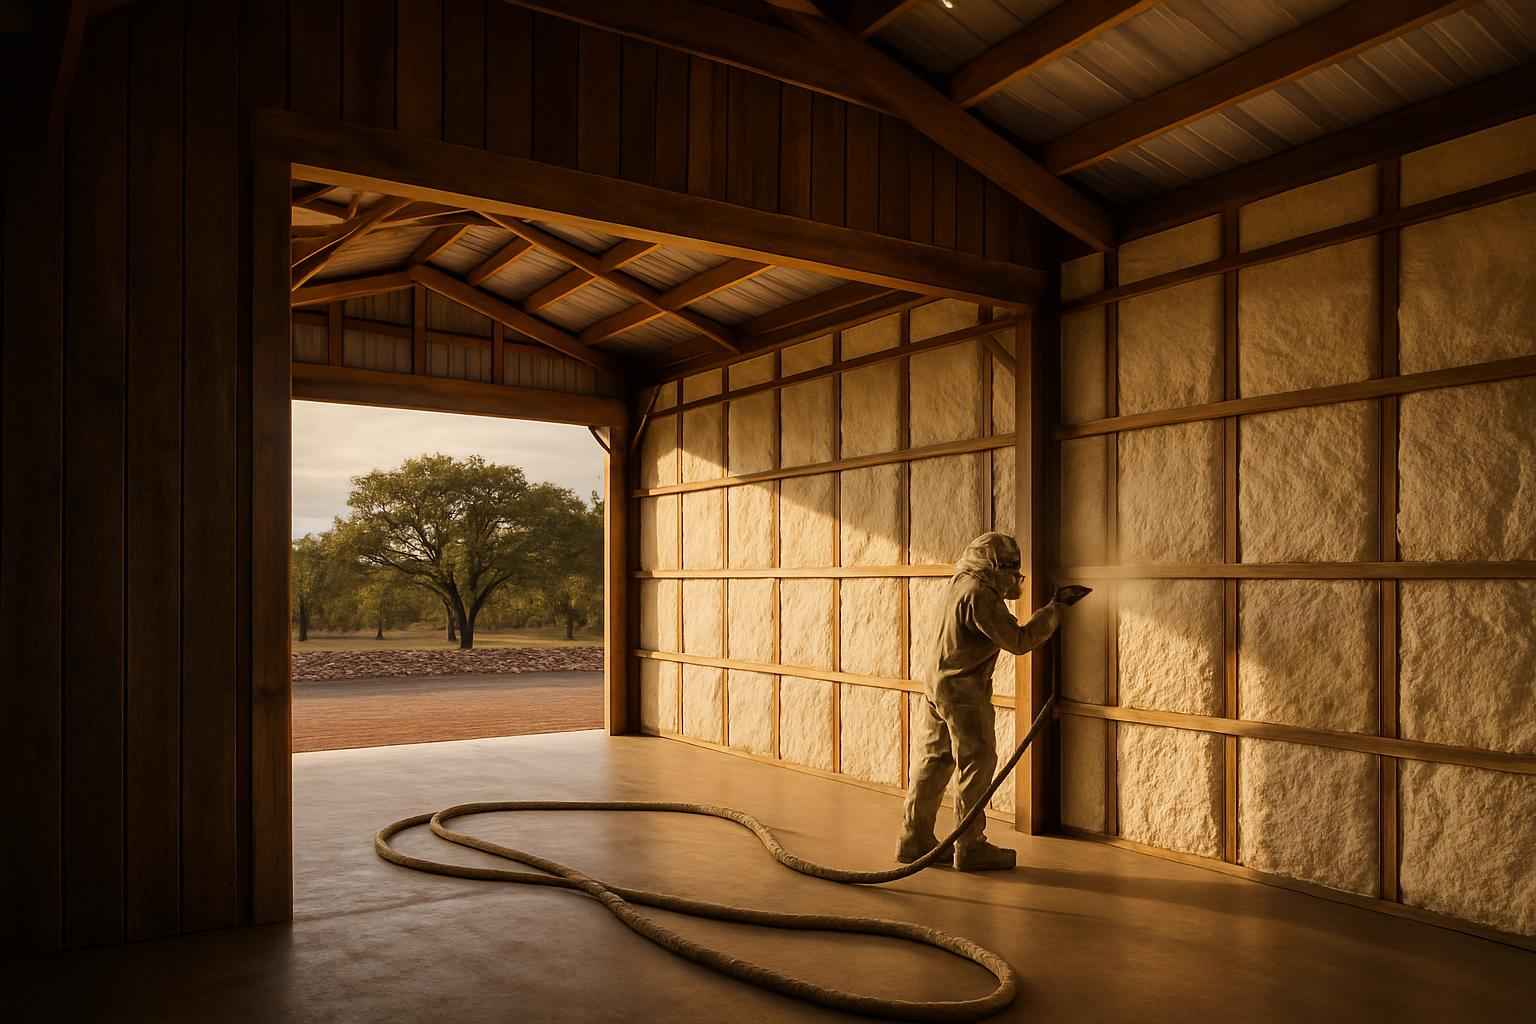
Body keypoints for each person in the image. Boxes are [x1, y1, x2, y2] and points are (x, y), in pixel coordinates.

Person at [897, 532, 1086, 871]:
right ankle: (970, 846)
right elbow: (1018, 640)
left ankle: (915, 838)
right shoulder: (980, 595)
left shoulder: (959, 583)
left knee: (935, 761)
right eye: (1010, 570)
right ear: (992, 566)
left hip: (937, 684)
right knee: (977, 763)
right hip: (963, 693)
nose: (1014, 579)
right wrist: (1054, 611)